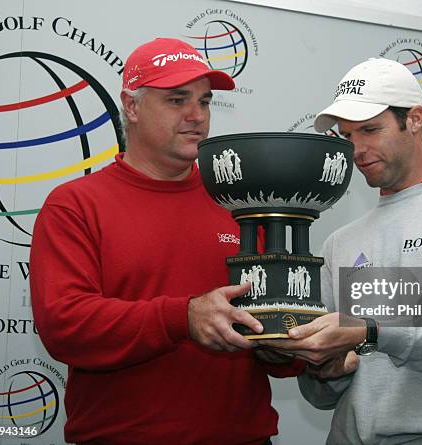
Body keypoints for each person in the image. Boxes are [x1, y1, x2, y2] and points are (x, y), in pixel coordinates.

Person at [29, 38, 304, 445]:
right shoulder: (75, 205)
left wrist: (284, 348)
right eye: (177, 100)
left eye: (205, 102)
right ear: (133, 106)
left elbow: (267, 334)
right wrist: (183, 318)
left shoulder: (240, 205)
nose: (197, 116)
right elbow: (65, 325)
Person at [260, 58, 422, 444]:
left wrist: (367, 330)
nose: (358, 149)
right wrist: (325, 369)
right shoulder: (341, 241)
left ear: (415, 119)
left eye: (370, 129)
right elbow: (320, 397)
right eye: (347, 136)